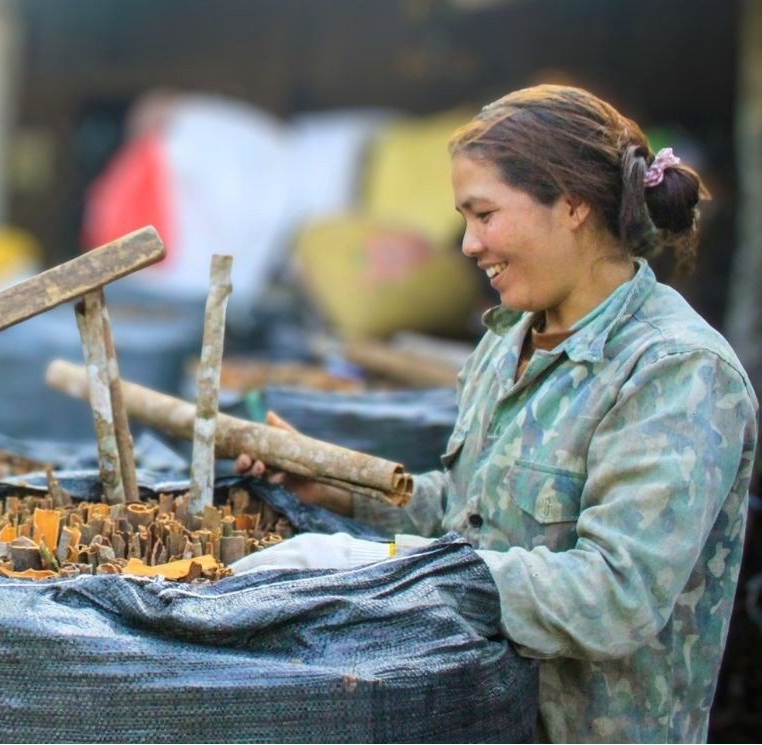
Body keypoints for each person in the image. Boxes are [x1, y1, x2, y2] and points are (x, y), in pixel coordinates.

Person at [232, 85, 758, 742]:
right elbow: (469, 512)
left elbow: (615, 595)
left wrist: (390, 565)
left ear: (572, 203)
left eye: (484, 215)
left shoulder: (673, 369)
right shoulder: (507, 340)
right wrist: (340, 490)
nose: (467, 244)